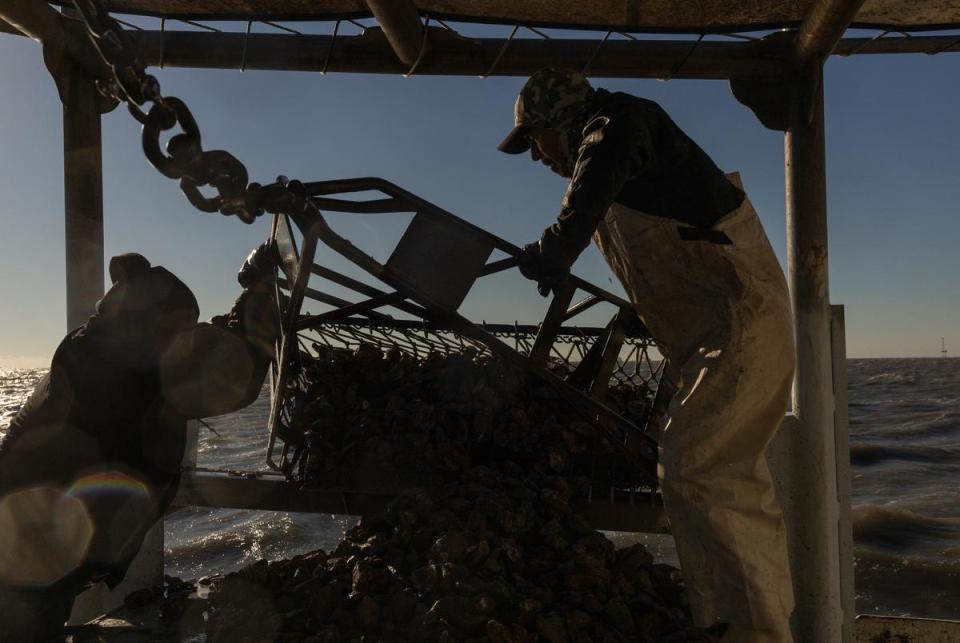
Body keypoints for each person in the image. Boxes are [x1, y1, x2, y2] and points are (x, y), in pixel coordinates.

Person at [501, 68, 796, 642]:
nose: (536, 155)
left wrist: (556, 247)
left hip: (742, 328)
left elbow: (599, 166)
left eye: (534, 139)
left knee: (697, 467)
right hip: (708, 343)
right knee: (720, 479)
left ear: (562, 120)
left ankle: (755, 633)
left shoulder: (621, 126)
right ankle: (731, 624)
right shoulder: (625, 173)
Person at [0, 242, 281, 642]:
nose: (187, 338)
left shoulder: (93, 346)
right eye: (181, 327)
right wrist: (260, 293)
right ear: (153, 324)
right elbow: (236, 374)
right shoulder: (135, 374)